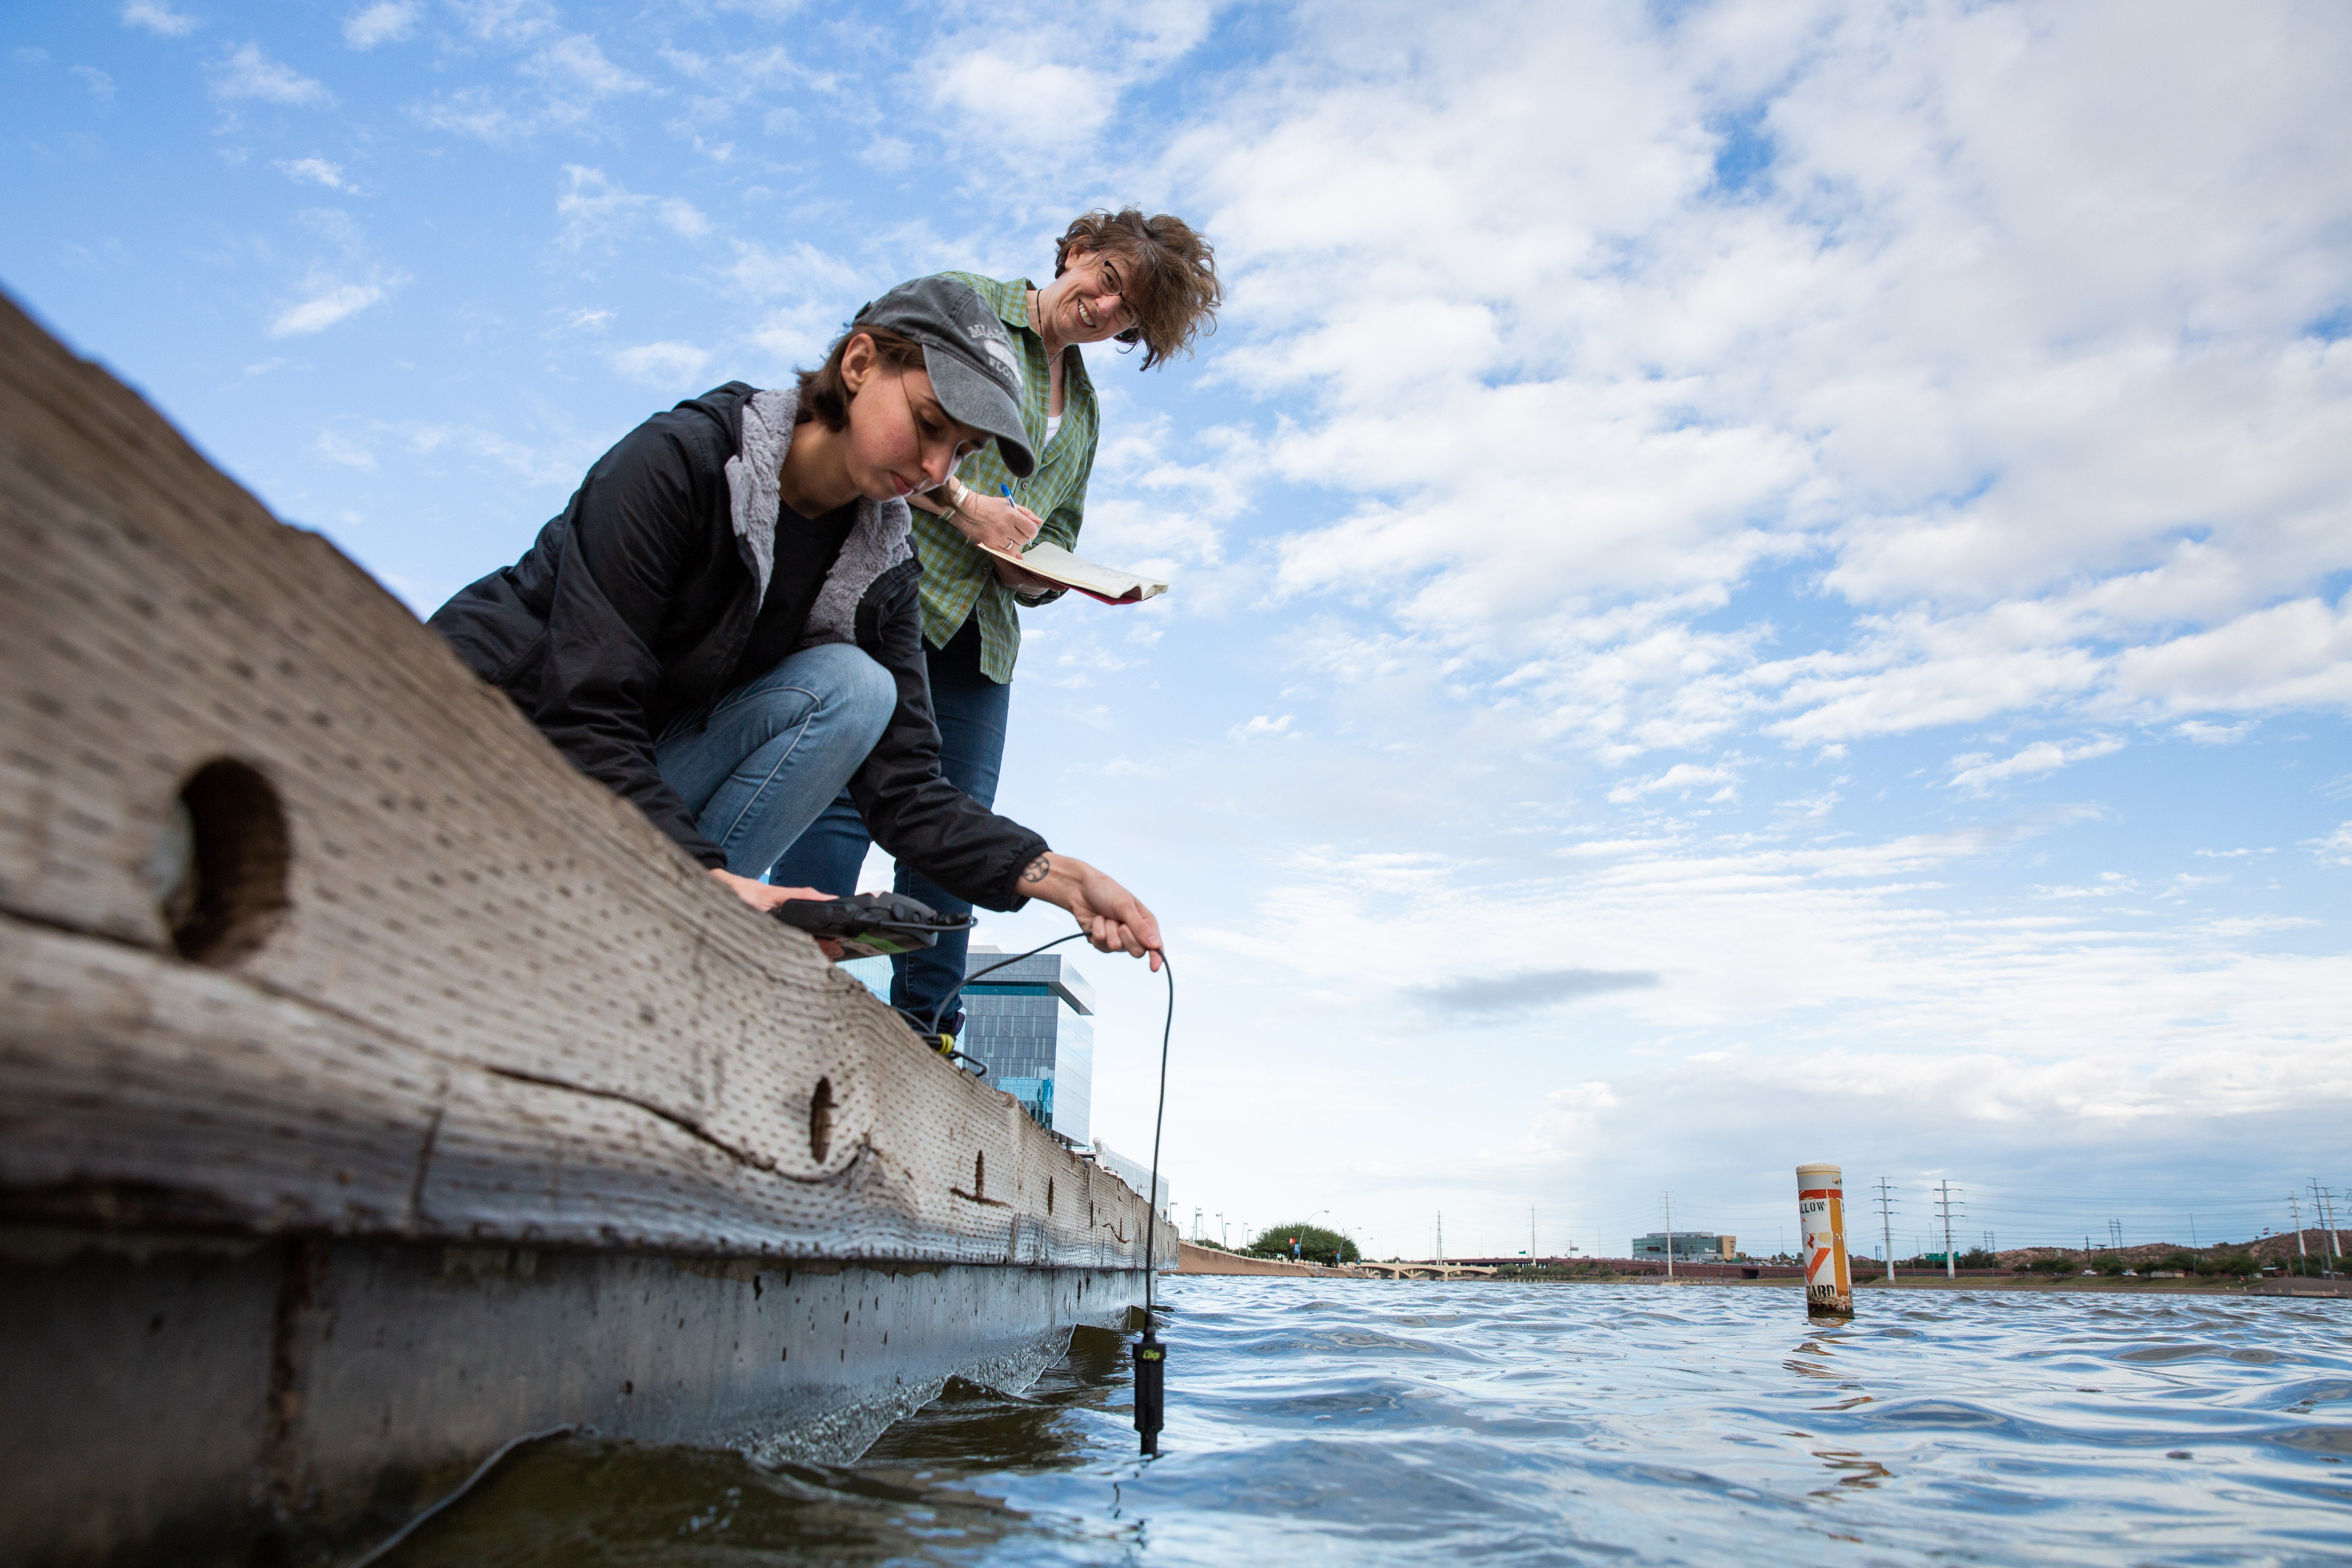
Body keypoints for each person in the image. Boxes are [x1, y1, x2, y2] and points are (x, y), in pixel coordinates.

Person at [428, 276, 1161, 974]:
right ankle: (701, 903)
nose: (938, 468)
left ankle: (674, 926)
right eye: (930, 424)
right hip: (482, 749)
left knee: (857, 687)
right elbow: (583, 702)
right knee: (846, 687)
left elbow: (904, 786)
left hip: (627, 790)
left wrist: (1055, 874)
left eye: (961, 452)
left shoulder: (884, 562)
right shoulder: (684, 460)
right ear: (860, 361)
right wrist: (712, 879)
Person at [775, 211, 1221, 1048]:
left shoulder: (1083, 413)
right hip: (887, 584)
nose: (1105, 308)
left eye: (1127, 315)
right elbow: (852, 414)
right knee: (841, 795)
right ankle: (791, 979)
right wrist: (964, 503)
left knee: (958, 827)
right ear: (1079, 252)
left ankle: (930, 1032)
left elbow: (1060, 534)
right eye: (1110, 279)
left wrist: (1036, 574)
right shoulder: (963, 305)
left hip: (982, 637)